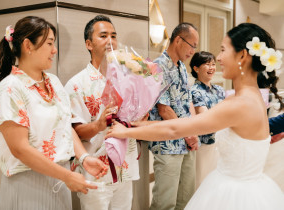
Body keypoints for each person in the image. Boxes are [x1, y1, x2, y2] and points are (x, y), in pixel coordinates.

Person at [106, 23, 284, 210]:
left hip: (234, 194)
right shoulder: (251, 97)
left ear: (242, 56)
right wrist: (134, 124)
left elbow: (175, 128)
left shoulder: (240, 104)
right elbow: (178, 120)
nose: (219, 59)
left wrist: (126, 132)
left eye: (223, 50)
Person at [0, 16, 107, 210]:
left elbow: (65, 126)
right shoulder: (10, 89)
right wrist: (67, 176)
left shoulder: (53, 82)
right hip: (27, 183)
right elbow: (20, 149)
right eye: (50, 43)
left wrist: (84, 158)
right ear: (28, 45)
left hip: (59, 179)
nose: (55, 50)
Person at [64, 15, 139, 210]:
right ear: (89, 44)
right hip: (95, 169)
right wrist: (99, 124)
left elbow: (136, 119)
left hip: (125, 165)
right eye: (103, 35)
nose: (110, 41)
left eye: (113, 36)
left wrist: (141, 115)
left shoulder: (128, 79)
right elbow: (75, 132)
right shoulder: (76, 84)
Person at [147, 22, 199, 210]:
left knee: (186, 199)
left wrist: (193, 130)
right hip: (168, 143)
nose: (193, 51)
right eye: (192, 45)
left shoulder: (182, 67)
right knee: (165, 202)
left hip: (187, 140)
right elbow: (164, 109)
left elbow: (188, 100)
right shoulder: (157, 66)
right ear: (178, 40)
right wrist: (188, 133)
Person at [189, 51, 225, 187]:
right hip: (205, 143)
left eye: (213, 64)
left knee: (218, 181)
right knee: (203, 180)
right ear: (196, 68)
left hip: (221, 140)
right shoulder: (195, 91)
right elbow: (204, 116)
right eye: (207, 64)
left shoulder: (219, 90)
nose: (212, 68)